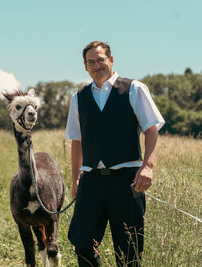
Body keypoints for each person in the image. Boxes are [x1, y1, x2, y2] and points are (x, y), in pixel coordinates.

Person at [65, 41, 165, 266]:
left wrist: (147, 166)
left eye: (100, 60)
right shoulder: (78, 98)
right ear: (85, 66)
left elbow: (151, 130)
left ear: (111, 60)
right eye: (91, 62)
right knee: (81, 242)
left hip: (127, 180)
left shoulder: (134, 89)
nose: (96, 65)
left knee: (128, 251)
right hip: (91, 180)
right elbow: (77, 142)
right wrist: (75, 179)